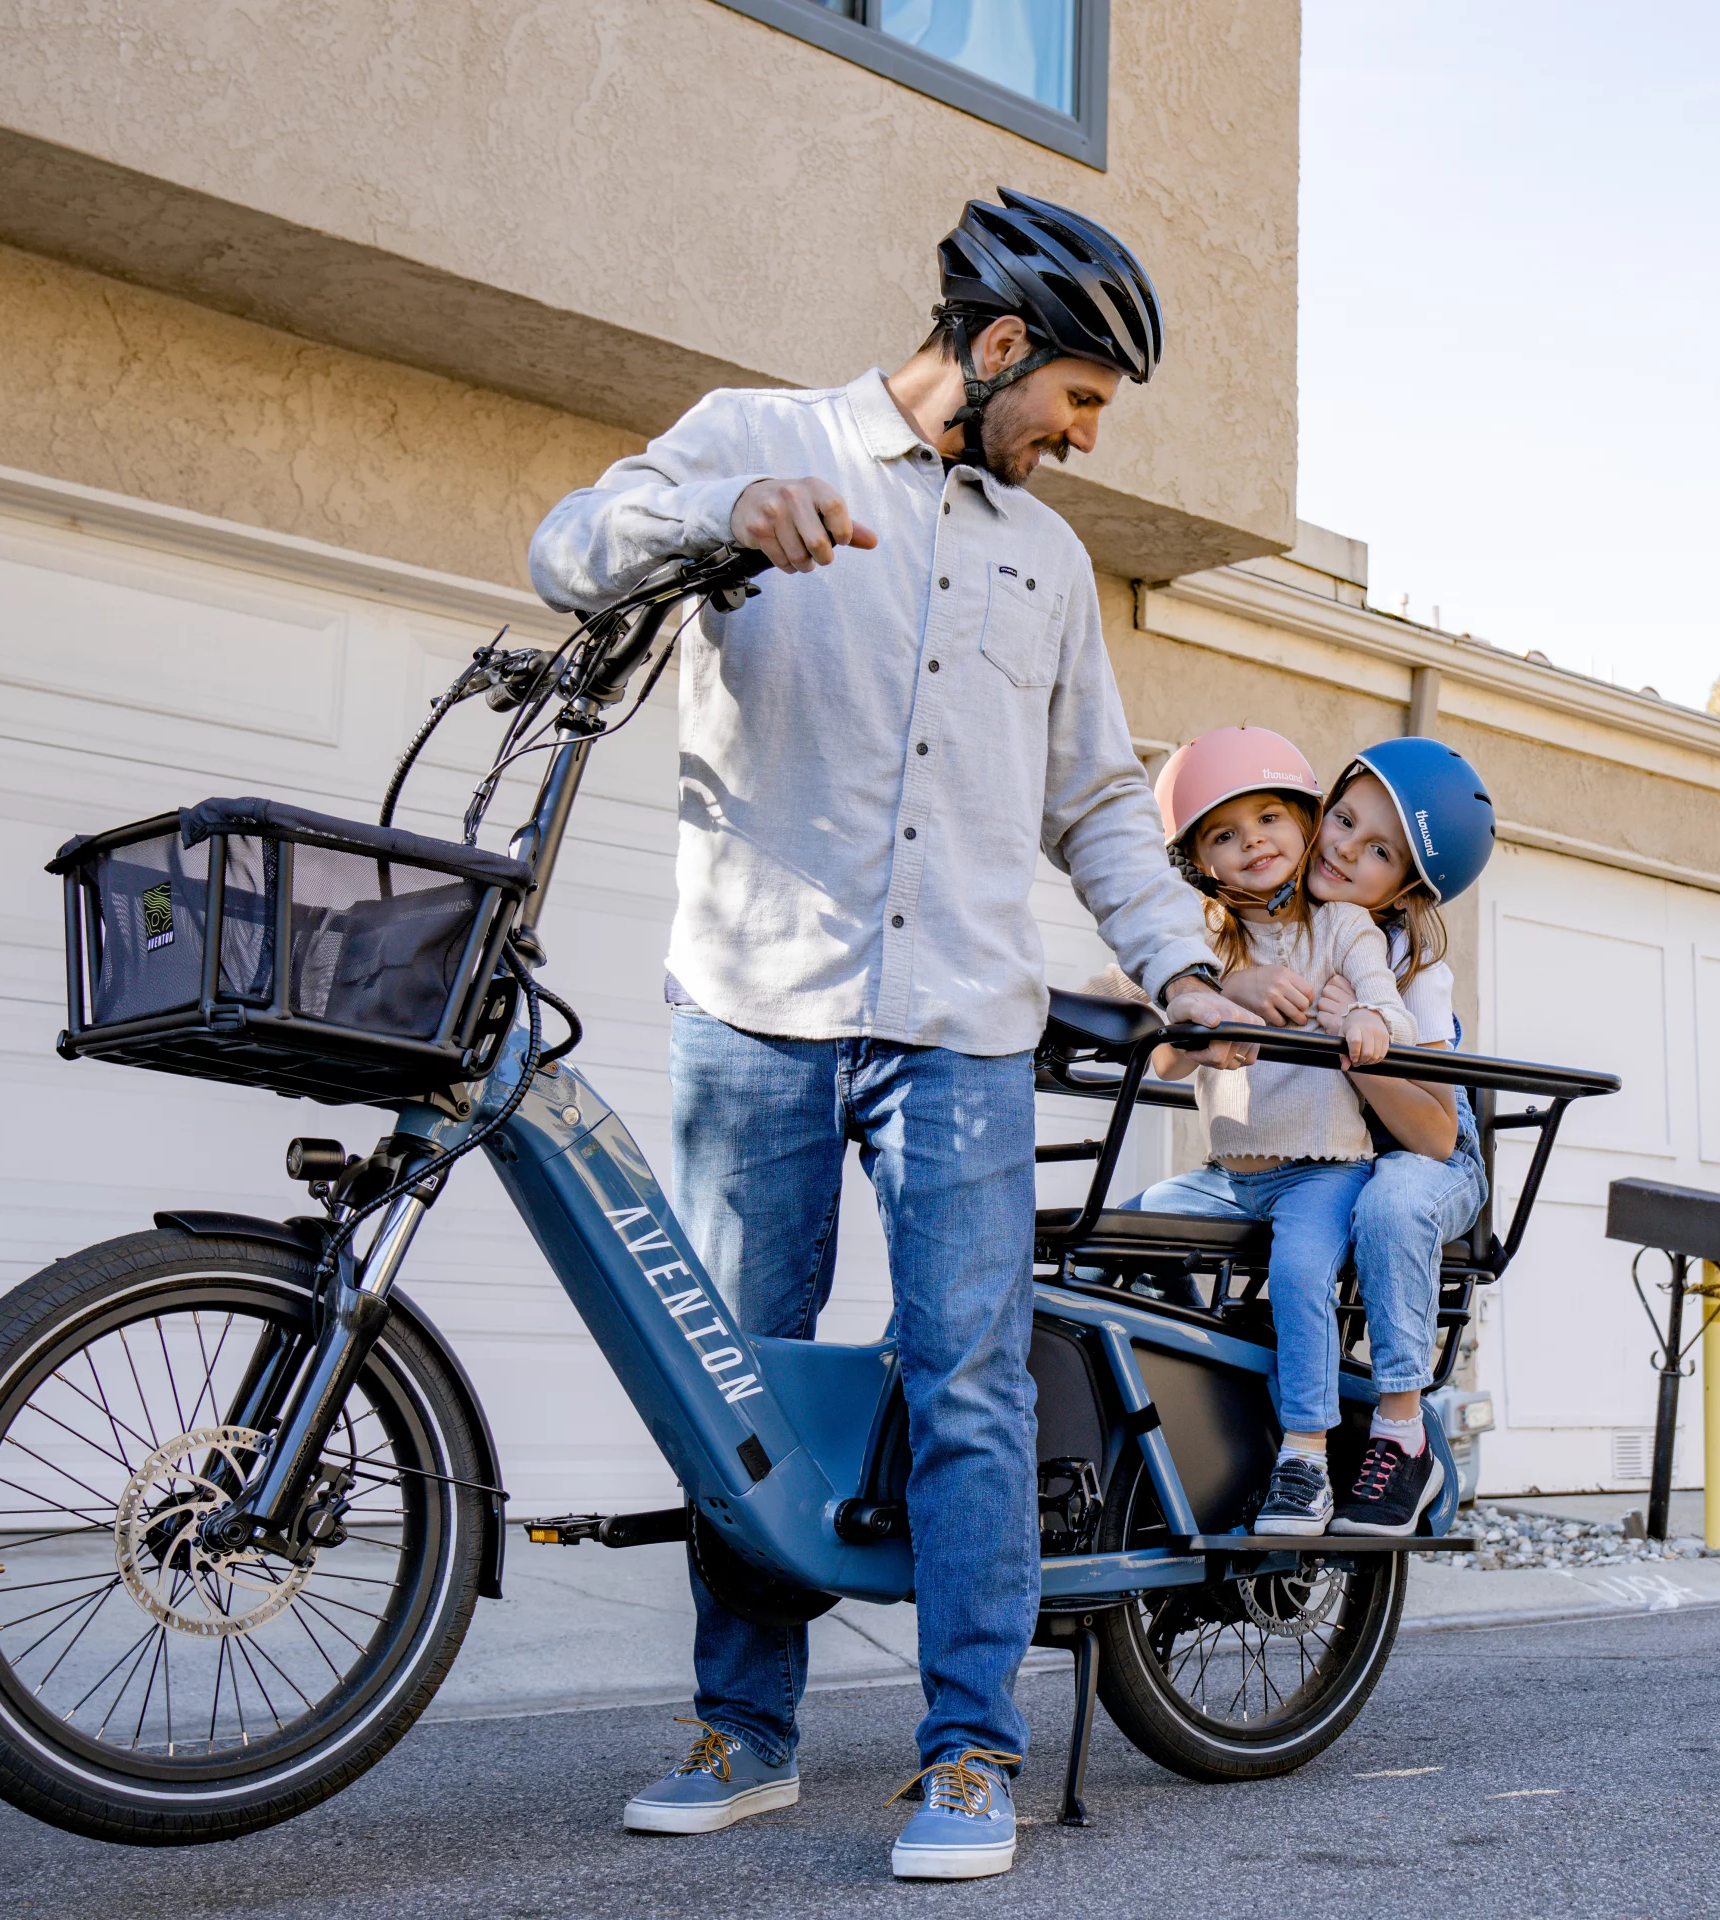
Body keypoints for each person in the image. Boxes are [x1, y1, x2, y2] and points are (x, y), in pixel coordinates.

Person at [528, 188, 1258, 1880]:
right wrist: (713, 514)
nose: (1081, 437)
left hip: (960, 1029)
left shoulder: (1046, 558)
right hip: (755, 1008)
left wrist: (1180, 973)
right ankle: (747, 1728)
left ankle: (967, 1752)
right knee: (740, 1389)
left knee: (970, 1384)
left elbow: (1094, 801)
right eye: (1076, 399)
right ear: (1000, 347)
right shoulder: (755, 438)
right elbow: (567, 550)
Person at [1120, 726, 1418, 1535]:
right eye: (1224, 833)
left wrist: (1363, 1018)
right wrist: (1222, 997)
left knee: (1298, 1278)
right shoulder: (1206, 948)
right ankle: (1210, 1374)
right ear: (1199, 862)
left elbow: (1383, 1002)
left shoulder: (1342, 928)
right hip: (1232, 1179)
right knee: (1125, 1237)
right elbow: (1167, 1059)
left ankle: (1306, 1458)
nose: (1252, 842)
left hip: (1323, 1170)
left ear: (1304, 824)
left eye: (1270, 821)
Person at [1227, 739, 1498, 1536]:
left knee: (1392, 1207)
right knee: (1153, 1220)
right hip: (1319, 1159)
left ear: (1410, 886)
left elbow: (1435, 1130)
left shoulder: (1413, 966)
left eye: (1378, 849)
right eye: (1342, 819)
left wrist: (1350, 1033)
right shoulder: (1287, 923)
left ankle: (1403, 1434)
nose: (1344, 847)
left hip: (1422, 1159)